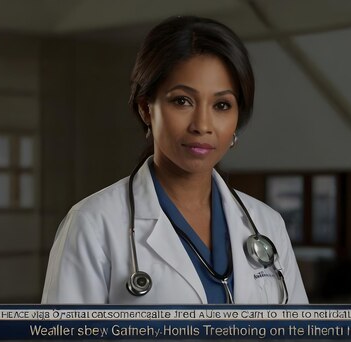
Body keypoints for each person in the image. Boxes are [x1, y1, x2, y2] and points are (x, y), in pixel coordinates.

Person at [41, 16, 308, 304]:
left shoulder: (267, 224)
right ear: (146, 108)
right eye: (182, 101)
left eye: (221, 105)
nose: (202, 125)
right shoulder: (92, 224)